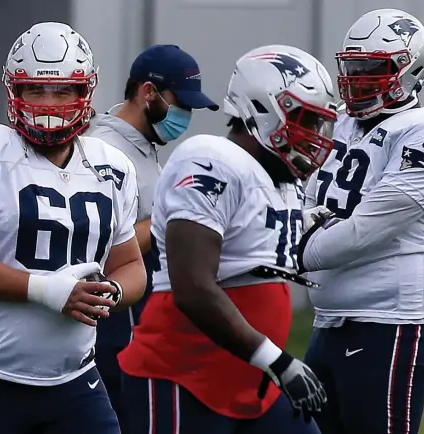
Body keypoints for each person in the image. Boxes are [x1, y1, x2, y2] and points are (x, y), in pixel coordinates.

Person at [0, 22, 146, 434]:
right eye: (35, 89)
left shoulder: (112, 165)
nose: (50, 102)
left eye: (64, 89)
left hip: (78, 382)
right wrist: (50, 291)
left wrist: (109, 293)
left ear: (85, 92)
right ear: (14, 90)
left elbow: (131, 264)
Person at [119, 44, 338, 434]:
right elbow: (194, 288)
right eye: (304, 119)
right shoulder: (212, 158)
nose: (312, 135)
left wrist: (304, 223)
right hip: (183, 378)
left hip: (248, 382)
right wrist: (277, 360)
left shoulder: (280, 180)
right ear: (263, 108)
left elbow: (250, 250)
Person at [298, 8, 424, 434]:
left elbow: (363, 231)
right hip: (330, 318)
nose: (358, 77)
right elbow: (293, 196)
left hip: (389, 321)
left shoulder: (421, 131)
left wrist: (285, 249)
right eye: (352, 66)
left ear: (412, 71)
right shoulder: (338, 122)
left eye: (372, 67)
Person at [89, 44, 218, 432]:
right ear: (148, 93)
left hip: (137, 317)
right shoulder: (104, 149)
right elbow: (103, 244)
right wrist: (173, 218)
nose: (186, 117)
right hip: (112, 323)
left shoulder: (141, 145)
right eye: (182, 104)